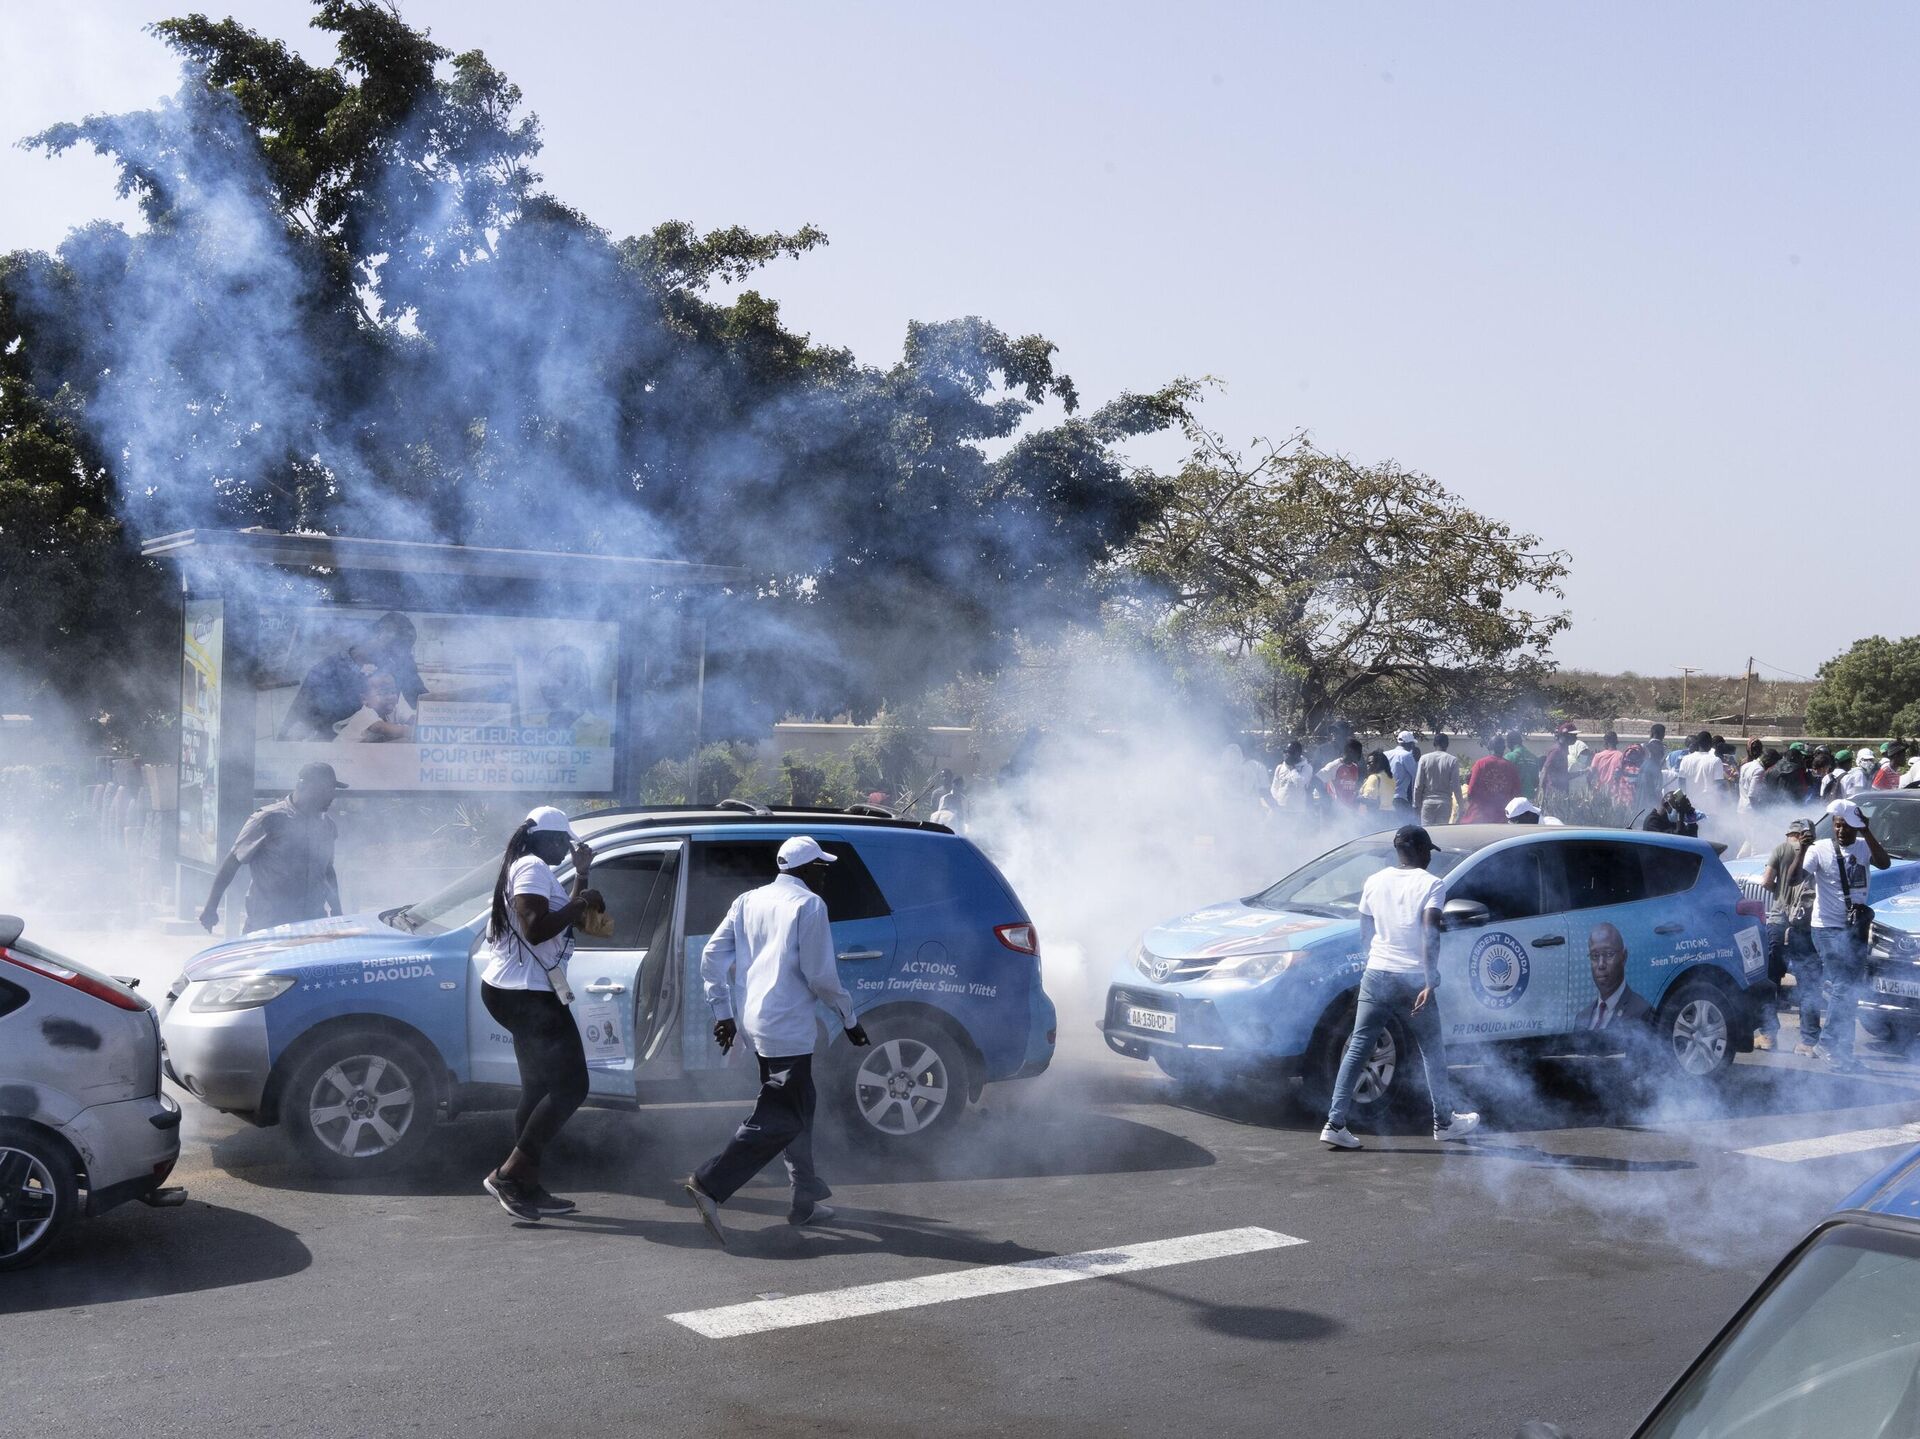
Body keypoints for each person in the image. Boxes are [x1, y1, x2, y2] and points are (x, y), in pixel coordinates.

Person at [684, 837, 871, 1244]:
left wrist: (723, 1012)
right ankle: (709, 1183)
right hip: (787, 1026)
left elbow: (711, 956)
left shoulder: (747, 900)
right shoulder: (809, 905)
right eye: (821, 867)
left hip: (755, 1020)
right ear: (805, 869)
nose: (825, 874)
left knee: (800, 1107)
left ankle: (805, 1198)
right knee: (783, 1116)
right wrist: (849, 1017)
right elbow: (820, 976)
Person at [1319, 825, 1480, 1150]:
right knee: (1431, 1049)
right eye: (1428, 852)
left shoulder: (1374, 881)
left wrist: (1374, 959)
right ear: (1420, 851)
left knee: (1358, 1047)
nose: (1429, 858)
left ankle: (1335, 1123)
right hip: (1412, 978)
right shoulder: (1432, 884)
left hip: (1377, 972)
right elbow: (1430, 933)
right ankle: (1444, 1122)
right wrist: (1429, 978)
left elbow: (1366, 929)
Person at [477, 806, 603, 1221]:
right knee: (572, 1087)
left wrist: (582, 876)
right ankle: (508, 1175)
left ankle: (527, 1184)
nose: (567, 849)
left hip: (521, 989)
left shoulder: (530, 866)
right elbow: (535, 928)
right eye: (563, 841)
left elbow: (564, 920)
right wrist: (582, 900)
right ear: (545, 838)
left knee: (537, 1089)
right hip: (526, 994)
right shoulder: (531, 866)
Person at [199, 762, 348, 934]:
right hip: (268, 925)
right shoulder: (269, 819)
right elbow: (232, 862)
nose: (331, 796)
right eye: (324, 790)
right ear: (303, 786)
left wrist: (337, 911)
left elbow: (327, 871)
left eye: (332, 790)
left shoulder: (327, 826)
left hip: (312, 924)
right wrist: (211, 907)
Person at [1802, 799, 1892, 1073]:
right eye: (1837, 825)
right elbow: (1795, 878)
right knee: (1843, 983)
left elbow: (1884, 863)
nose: (1841, 831)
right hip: (1826, 928)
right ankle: (1828, 1043)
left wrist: (1866, 830)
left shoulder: (1863, 846)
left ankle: (1844, 1053)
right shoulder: (1819, 849)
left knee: (1851, 989)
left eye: (1846, 826)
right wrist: (1801, 849)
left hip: (1854, 928)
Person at [279, 611, 426, 740]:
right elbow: (295, 724)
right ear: (378, 634)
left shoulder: (396, 665)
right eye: (394, 649)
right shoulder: (325, 672)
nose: (397, 658)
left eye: (403, 653)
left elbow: (422, 700)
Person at [1762, 818, 1818, 1055]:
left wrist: (1780, 890)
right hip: (1805, 927)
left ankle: (1768, 1035)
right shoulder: (1816, 852)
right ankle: (1808, 1041)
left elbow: (1766, 882)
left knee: (1770, 981)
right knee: (1809, 985)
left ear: (1790, 834)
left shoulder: (1781, 849)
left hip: (1778, 922)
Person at [1581, 922, 1652, 1030]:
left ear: (1624, 957)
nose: (1601, 964)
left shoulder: (1642, 1012)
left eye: (1609, 954)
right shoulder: (1581, 1017)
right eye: (1595, 956)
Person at [335, 670, 413, 743]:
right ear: (365, 699)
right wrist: (409, 731)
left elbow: (413, 719)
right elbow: (380, 728)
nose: (390, 697)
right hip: (341, 749)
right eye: (383, 693)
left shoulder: (394, 711)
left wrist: (417, 722)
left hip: (361, 749)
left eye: (393, 692)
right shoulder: (365, 714)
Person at [1413, 732, 1461, 826]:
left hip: (1427, 802)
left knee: (1427, 831)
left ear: (1434, 744)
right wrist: (1461, 806)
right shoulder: (1452, 760)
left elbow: (1418, 785)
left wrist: (1416, 804)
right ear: (1447, 744)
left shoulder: (1424, 758)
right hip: (1444, 803)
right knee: (1441, 833)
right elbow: (1456, 786)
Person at [1677, 730, 1731, 812]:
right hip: (1709, 807)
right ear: (1710, 744)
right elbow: (1719, 786)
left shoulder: (1685, 759)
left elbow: (1681, 783)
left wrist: (1683, 803)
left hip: (1690, 807)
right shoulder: (1716, 761)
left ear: (1698, 744)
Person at [1270, 739, 1318, 812]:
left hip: (1296, 811)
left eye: (1289, 752)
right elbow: (1274, 787)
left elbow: (1300, 783)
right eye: (1285, 751)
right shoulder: (1280, 767)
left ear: (1297, 754)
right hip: (1280, 809)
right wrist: (1276, 802)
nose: (1286, 754)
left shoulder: (1306, 768)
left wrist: (1292, 769)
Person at [1537, 727, 1576, 812]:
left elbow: (1564, 776)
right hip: (1553, 794)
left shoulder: (1563, 750)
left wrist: (1583, 772)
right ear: (1564, 736)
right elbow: (1544, 769)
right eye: (1573, 735)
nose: (1576, 737)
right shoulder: (1556, 750)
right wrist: (1540, 792)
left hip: (1560, 793)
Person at [1639, 724, 1670, 809]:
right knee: (1654, 800)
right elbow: (1665, 765)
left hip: (1642, 773)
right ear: (1663, 734)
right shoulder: (1665, 748)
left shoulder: (1643, 746)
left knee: (1641, 799)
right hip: (1656, 775)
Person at [1388, 731, 1420, 815]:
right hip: (1399, 798)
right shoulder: (1406, 755)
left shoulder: (1386, 754)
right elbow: (1417, 775)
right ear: (1410, 744)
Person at [1587, 731, 1625, 800]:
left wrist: (1591, 789)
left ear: (1605, 742)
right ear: (1616, 742)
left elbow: (1590, 776)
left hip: (1599, 793)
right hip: (1614, 794)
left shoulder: (1598, 756)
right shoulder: (1621, 756)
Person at [1737, 738, 1767, 815]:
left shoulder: (1743, 764)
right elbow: (1752, 794)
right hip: (1751, 809)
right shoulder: (1759, 767)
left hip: (1742, 806)